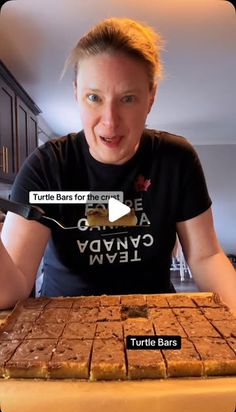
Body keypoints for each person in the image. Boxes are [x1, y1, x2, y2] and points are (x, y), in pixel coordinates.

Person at [0, 17, 236, 310]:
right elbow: (11, 290)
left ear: (150, 97)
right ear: (76, 93)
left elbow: (206, 257)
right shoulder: (46, 167)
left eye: (127, 98)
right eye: (93, 97)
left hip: (152, 329)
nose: (110, 121)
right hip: (65, 332)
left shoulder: (176, 160)